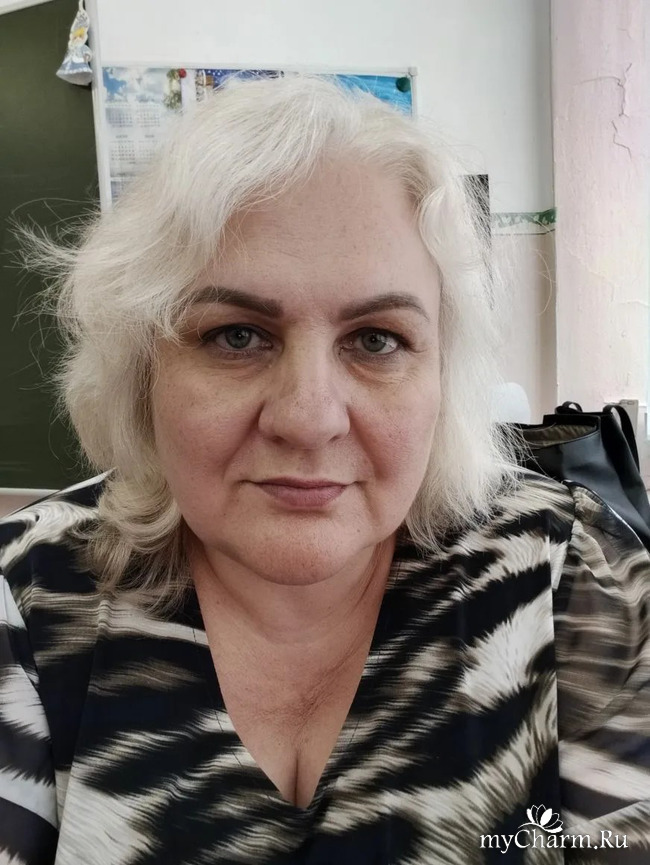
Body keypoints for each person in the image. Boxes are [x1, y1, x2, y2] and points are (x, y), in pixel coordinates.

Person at [0, 74, 648, 865]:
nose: (309, 419)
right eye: (236, 336)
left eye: (376, 340)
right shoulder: (24, 596)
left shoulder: (573, 576)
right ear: (144, 370)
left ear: (443, 375)